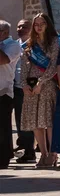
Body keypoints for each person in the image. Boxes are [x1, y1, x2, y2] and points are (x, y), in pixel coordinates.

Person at [20, 13, 60, 167]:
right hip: (31, 84)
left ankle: (52, 153)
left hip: (47, 84)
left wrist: (41, 82)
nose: (39, 27)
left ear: (48, 25)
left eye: (42, 23)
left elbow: (53, 65)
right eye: (36, 24)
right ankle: (43, 154)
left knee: (48, 120)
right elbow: (24, 66)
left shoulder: (54, 41)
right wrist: (24, 84)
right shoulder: (29, 43)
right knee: (35, 120)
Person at [0, 21, 22, 169]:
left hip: (3, 92)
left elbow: (3, 60)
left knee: (3, 128)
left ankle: (3, 159)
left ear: (5, 32)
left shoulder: (13, 45)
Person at [12, 18, 35, 163]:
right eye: (19, 26)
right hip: (15, 86)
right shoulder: (14, 45)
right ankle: (23, 145)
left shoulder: (34, 46)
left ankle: (29, 150)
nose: (21, 29)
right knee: (19, 119)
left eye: (24, 27)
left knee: (27, 120)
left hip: (29, 87)